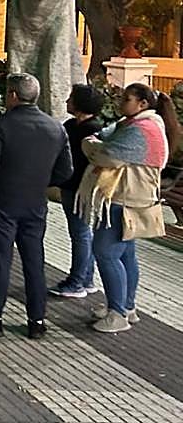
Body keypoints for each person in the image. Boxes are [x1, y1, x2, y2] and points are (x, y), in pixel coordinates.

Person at [0, 73, 72, 340]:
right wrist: (40, 181)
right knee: (34, 260)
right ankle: (36, 320)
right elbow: (66, 170)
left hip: (2, 200)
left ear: (13, 95)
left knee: (1, 260)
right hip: (36, 201)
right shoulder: (55, 127)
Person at [77, 82, 178, 333]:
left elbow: (106, 154)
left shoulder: (141, 130)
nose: (121, 103)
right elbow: (107, 137)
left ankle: (117, 314)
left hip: (124, 201)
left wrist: (89, 145)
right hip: (131, 199)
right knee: (125, 255)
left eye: (126, 99)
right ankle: (126, 306)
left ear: (142, 104)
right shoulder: (139, 124)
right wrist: (97, 142)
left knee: (106, 253)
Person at [48, 84, 104, 299]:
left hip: (82, 187)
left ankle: (77, 281)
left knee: (80, 233)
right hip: (70, 184)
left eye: (71, 98)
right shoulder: (71, 125)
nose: (66, 101)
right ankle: (86, 278)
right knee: (81, 233)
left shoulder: (93, 130)